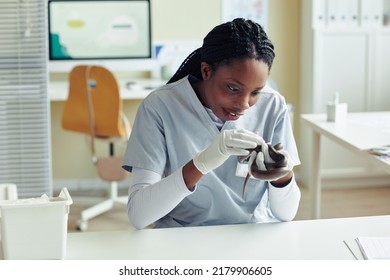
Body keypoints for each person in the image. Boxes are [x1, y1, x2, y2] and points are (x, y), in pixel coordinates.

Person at [122, 18, 301, 229]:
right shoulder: (160, 107)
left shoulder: (273, 105)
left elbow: (286, 214)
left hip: (250, 234)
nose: (244, 105)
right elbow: (139, 216)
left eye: (255, 92)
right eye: (233, 88)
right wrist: (201, 164)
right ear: (206, 71)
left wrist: (282, 175)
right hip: (182, 236)